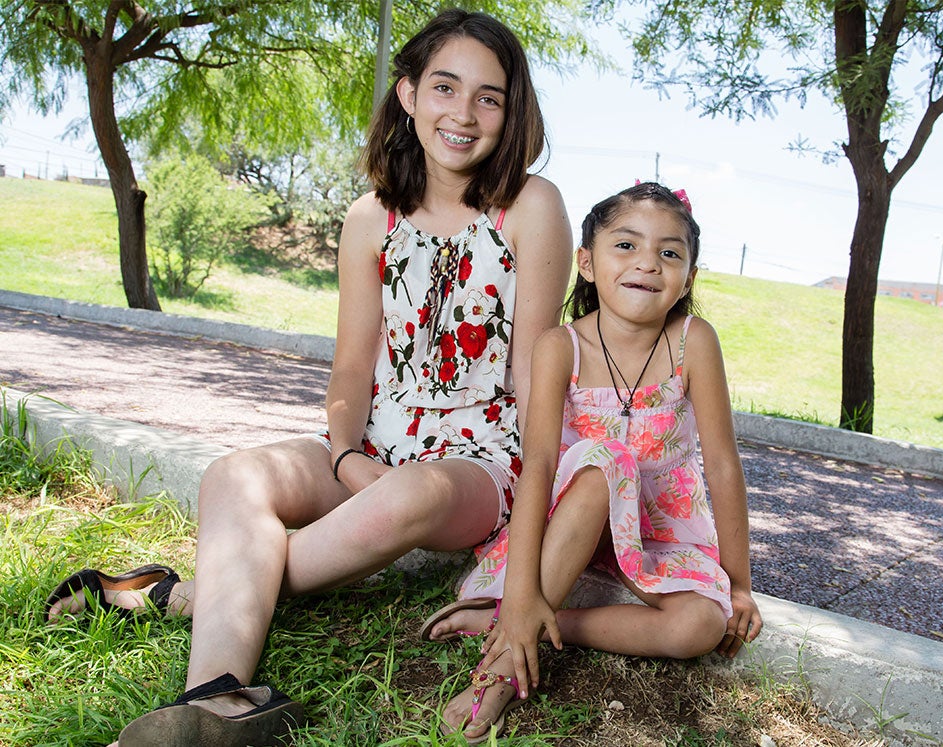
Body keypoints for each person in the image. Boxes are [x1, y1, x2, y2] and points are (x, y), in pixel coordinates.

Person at [45, 9, 573, 746]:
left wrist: (530, 531)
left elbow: (536, 381)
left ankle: (177, 592)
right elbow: (353, 365)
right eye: (445, 86)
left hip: (477, 466)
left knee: (412, 490)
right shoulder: (370, 218)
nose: (464, 112)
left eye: (489, 96)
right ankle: (218, 702)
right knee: (234, 477)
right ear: (410, 93)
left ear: (511, 112)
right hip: (381, 443)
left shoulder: (531, 208)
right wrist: (345, 453)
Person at [421, 182, 763, 743]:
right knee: (605, 459)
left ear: (689, 278)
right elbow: (538, 466)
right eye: (626, 246)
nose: (648, 264)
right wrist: (524, 587)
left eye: (670, 253)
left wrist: (740, 585)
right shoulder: (561, 345)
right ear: (586, 263)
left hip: (656, 537)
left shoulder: (693, 341)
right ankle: (501, 667)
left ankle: (539, 621)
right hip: (572, 525)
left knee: (701, 624)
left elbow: (723, 466)